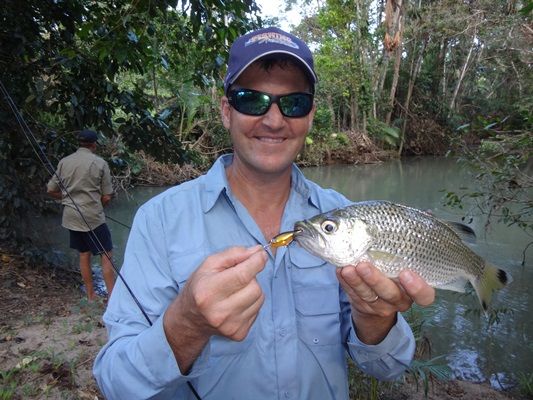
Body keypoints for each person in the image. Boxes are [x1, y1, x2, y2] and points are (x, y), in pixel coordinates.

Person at [93, 27, 435, 399]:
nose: (274, 120)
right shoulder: (160, 219)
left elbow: (387, 366)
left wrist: (376, 317)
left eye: (294, 103)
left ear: (310, 116)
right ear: (226, 111)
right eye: (251, 100)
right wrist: (186, 324)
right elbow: (115, 382)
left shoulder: (345, 216)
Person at [47, 129, 116, 302]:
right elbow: (107, 196)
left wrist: (67, 200)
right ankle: (113, 297)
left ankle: (91, 296)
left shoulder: (64, 162)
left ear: (79, 143)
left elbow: (51, 189)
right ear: (94, 145)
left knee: (84, 255)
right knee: (106, 255)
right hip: (93, 217)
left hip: (72, 217)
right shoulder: (100, 163)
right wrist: (98, 205)